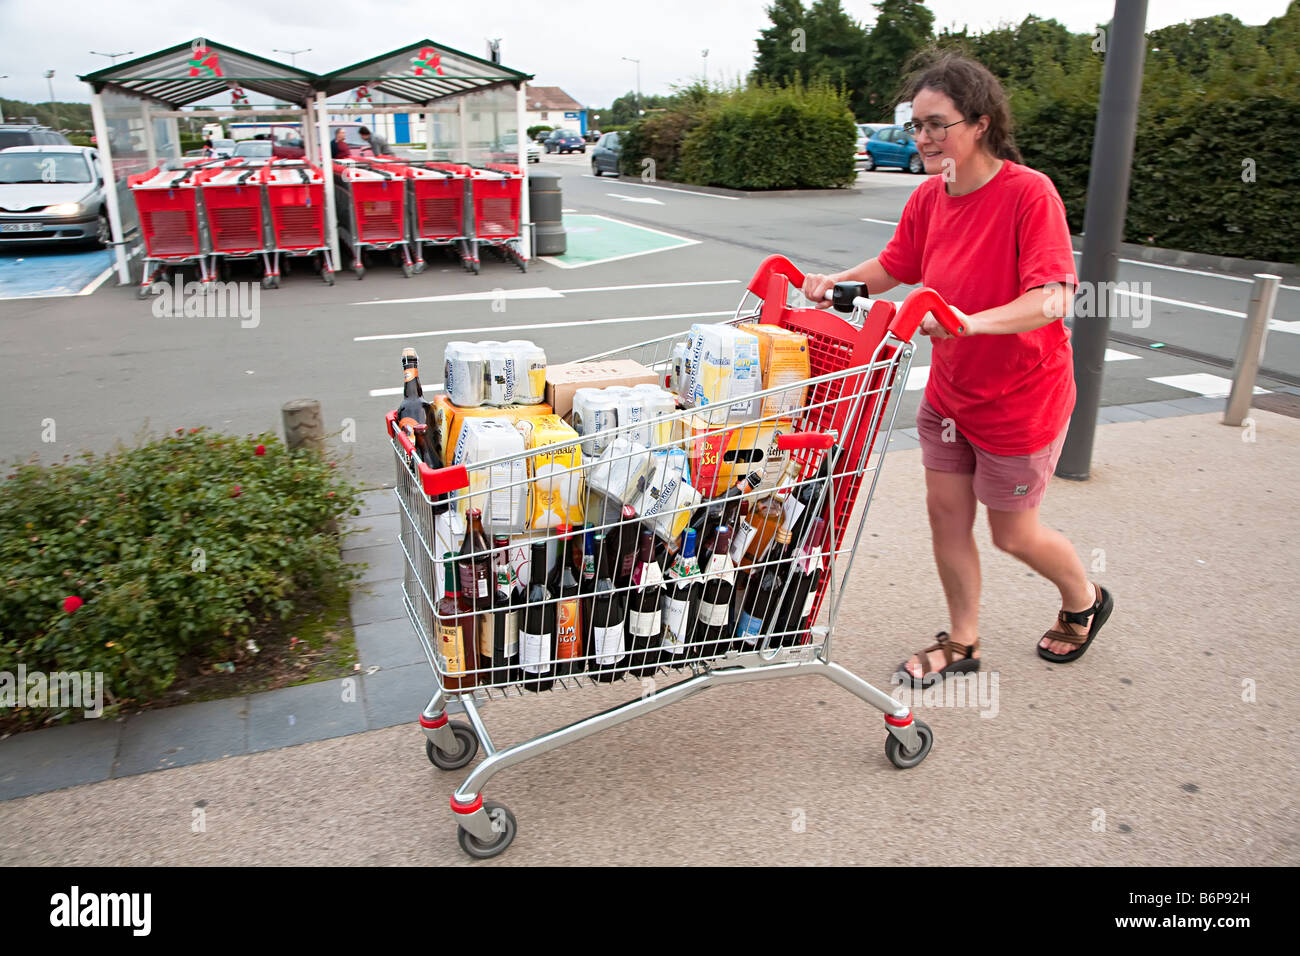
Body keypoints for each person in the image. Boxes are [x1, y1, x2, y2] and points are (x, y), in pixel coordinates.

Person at [801, 52, 1113, 686]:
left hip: (1021, 397)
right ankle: (963, 640)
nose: (922, 139)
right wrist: (837, 281)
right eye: (916, 125)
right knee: (945, 512)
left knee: (1012, 535)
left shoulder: (1029, 193)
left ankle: (1085, 598)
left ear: (980, 123)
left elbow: (1054, 296)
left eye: (936, 124)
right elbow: (895, 266)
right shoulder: (929, 196)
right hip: (951, 394)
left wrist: (971, 321)